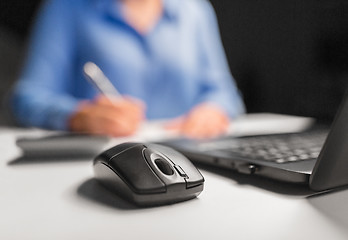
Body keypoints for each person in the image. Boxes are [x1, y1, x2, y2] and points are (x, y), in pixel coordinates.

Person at [10, 0, 245, 139]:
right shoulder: (67, 7)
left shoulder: (194, 10)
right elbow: (28, 96)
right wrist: (77, 116)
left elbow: (223, 91)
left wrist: (214, 110)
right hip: (102, 163)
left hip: (190, 159)